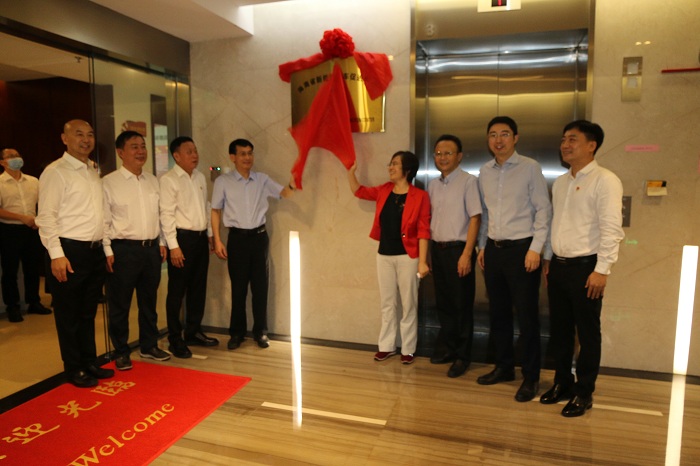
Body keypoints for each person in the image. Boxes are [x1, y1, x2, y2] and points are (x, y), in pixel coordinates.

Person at [541, 120, 624, 417]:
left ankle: (584, 391)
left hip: (587, 268)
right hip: (559, 266)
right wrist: (548, 260)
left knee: (588, 334)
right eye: (564, 139)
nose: (565, 144)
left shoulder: (606, 180)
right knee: (561, 331)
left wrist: (602, 270)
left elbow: (612, 229)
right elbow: (556, 224)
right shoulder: (561, 182)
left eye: (573, 139)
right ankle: (562, 382)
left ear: (592, 145)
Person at [476, 116, 551, 402]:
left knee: (527, 317)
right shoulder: (484, 171)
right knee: (498, 314)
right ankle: (504, 367)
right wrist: (482, 246)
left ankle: (531, 377)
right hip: (494, 250)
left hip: (523, 251)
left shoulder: (530, 168)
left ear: (516, 138)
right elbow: (485, 213)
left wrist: (536, 249)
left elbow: (544, 210)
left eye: (505, 134)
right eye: (493, 135)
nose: (498, 140)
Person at [35, 119, 114, 388]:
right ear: (64, 138)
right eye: (79, 134)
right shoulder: (56, 172)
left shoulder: (92, 170)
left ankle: (89, 361)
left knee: (88, 312)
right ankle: (74, 368)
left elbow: (101, 214)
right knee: (69, 314)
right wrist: (56, 254)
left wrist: (106, 248)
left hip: (93, 251)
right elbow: (46, 217)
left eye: (90, 134)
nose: (86, 140)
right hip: (69, 251)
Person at [347, 151, 430, 365]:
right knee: (387, 303)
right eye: (390, 163)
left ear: (407, 170)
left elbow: (423, 230)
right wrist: (351, 172)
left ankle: (408, 349)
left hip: (408, 256)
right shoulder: (384, 190)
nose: (390, 167)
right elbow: (359, 191)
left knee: (409, 304)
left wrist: (422, 261)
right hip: (384, 255)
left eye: (395, 164)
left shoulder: (420, 196)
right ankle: (386, 346)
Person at [211, 139, 295, 351]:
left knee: (260, 287)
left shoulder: (262, 179)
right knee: (238, 289)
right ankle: (236, 333)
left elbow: (284, 193)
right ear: (233, 157)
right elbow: (215, 211)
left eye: (250, 153)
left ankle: (261, 332)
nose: (247, 157)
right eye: (242, 154)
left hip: (259, 238)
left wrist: (295, 181)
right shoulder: (223, 182)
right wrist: (217, 240)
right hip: (237, 239)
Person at [103, 131, 171, 370]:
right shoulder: (109, 183)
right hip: (123, 250)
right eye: (134, 147)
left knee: (148, 302)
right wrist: (107, 250)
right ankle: (121, 351)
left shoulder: (153, 181)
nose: (141, 151)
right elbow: (104, 221)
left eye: (143, 146)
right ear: (120, 152)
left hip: (151, 249)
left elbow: (160, 215)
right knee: (120, 304)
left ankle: (149, 345)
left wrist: (162, 242)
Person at [427, 135, 482, 378]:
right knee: (444, 304)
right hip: (437, 250)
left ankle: (463, 356)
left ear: (459, 156)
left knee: (461, 305)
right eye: (439, 153)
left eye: (448, 153)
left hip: (458, 250)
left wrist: (467, 254)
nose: (442, 157)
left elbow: (475, 218)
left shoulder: (469, 182)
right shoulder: (433, 185)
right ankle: (449, 348)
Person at [160, 136, 217, 358]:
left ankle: (193, 332)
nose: (195, 155)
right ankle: (175, 339)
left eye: (195, 150)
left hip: (200, 239)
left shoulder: (200, 176)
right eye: (189, 151)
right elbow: (166, 215)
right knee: (177, 291)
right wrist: (173, 246)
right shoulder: (169, 180)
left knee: (198, 288)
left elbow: (205, 206)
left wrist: (210, 234)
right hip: (182, 240)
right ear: (176, 156)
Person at [0, 148, 51, 322]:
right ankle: (12, 306)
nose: (16, 158)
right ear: (2, 162)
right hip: (9, 230)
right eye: (11, 156)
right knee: (10, 271)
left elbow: (44, 203)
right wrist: (21, 217)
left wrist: (38, 220)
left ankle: (34, 302)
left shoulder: (33, 181)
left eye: (17, 155)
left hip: (32, 229)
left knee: (32, 269)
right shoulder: (0, 182)